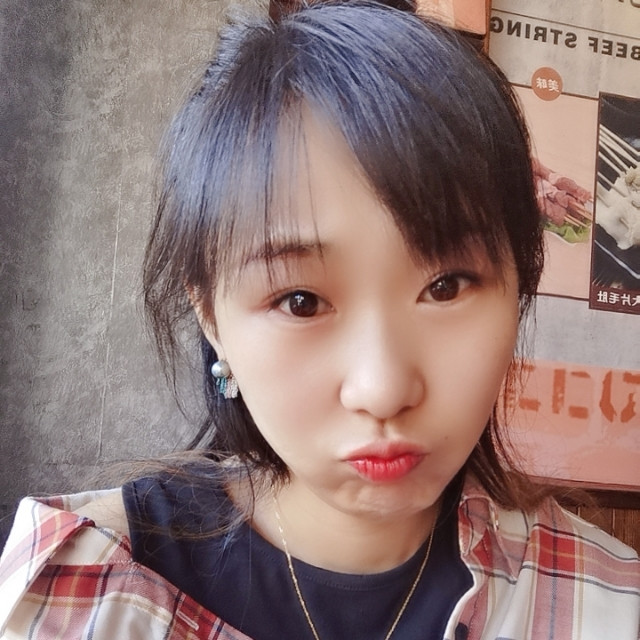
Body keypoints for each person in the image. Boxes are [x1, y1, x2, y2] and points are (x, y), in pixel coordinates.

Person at [0, 2, 638, 639]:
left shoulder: (607, 603)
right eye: (300, 301)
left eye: (445, 287)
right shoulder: (80, 594)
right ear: (212, 319)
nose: (382, 390)